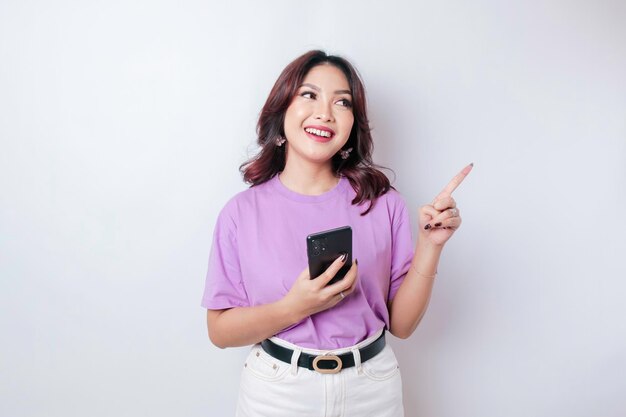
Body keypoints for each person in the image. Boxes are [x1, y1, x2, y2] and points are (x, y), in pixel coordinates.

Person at [201, 50, 472, 417]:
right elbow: (219, 331)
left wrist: (430, 246)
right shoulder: (241, 213)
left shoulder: (382, 203)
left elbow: (402, 326)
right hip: (277, 393)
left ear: (351, 126)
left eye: (341, 102)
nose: (325, 113)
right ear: (282, 111)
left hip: (371, 389)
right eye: (309, 95)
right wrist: (295, 306)